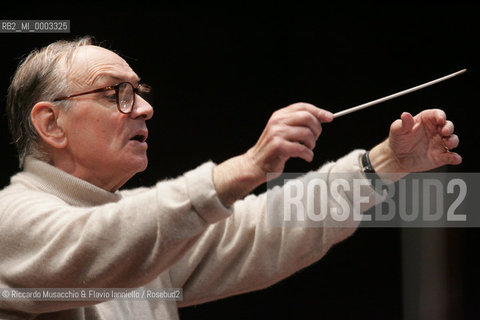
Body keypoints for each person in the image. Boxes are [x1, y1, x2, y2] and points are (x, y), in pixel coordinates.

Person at [0, 36, 461, 320]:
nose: (143, 108)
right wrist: (249, 166)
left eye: (138, 93)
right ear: (51, 124)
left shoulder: (140, 235)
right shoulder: (11, 219)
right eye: (114, 93)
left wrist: (382, 165)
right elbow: (103, 243)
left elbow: (261, 228)